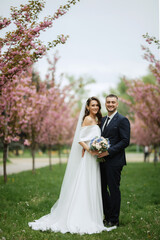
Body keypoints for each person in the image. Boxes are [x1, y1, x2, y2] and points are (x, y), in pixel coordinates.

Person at [28, 97, 116, 234]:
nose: (95, 107)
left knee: (93, 184)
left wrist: (99, 146)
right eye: (93, 105)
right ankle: (81, 214)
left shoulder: (99, 120)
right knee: (85, 183)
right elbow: (80, 139)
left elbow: (92, 138)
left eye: (97, 105)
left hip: (95, 158)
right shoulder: (87, 119)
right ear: (87, 107)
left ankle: (94, 214)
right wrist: (90, 150)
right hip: (89, 157)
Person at [98, 94, 130, 227]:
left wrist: (108, 151)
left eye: (113, 102)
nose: (110, 104)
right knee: (101, 189)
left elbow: (125, 141)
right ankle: (107, 216)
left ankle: (114, 219)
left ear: (117, 104)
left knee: (113, 189)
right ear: (105, 104)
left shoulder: (123, 120)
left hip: (115, 161)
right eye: (108, 102)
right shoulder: (102, 120)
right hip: (101, 162)